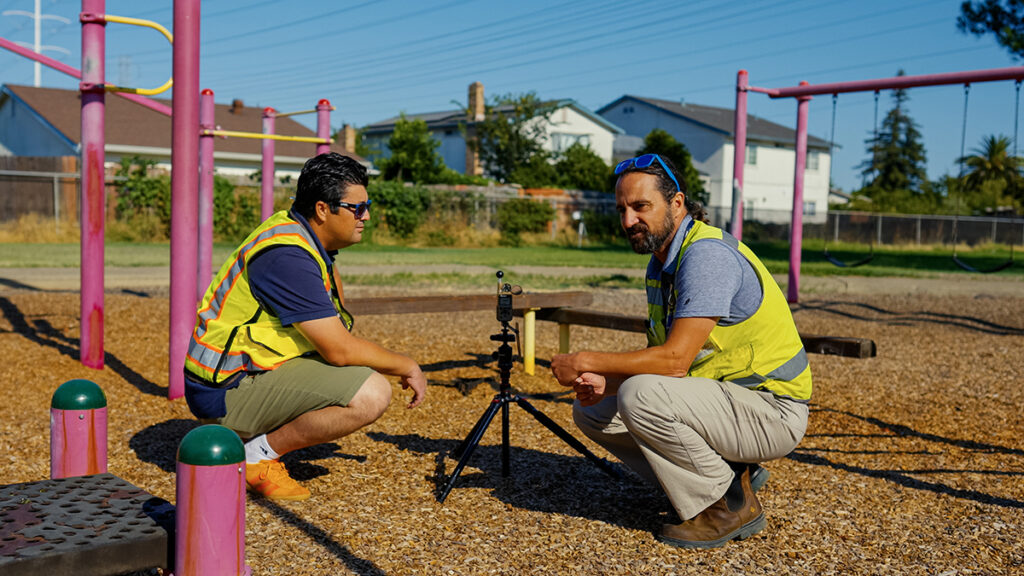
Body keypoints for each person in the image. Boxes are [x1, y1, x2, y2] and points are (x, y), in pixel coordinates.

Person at [550, 153, 811, 549]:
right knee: (594, 409)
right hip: (730, 405)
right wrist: (606, 381)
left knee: (640, 396)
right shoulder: (662, 264)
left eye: (641, 207)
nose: (627, 221)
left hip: (773, 412)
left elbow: (673, 362)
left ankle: (727, 505)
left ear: (677, 203)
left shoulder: (705, 256)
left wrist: (587, 361)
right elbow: (666, 363)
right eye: (622, 209)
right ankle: (722, 476)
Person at [184, 152, 427, 502]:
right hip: (225, 391)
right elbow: (339, 348)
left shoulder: (301, 236)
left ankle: (251, 443)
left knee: (354, 370)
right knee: (371, 392)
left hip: (238, 374)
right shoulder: (288, 257)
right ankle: (256, 458)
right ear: (323, 209)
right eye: (357, 208)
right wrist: (408, 365)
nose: (366, 216)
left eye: (367, 205)